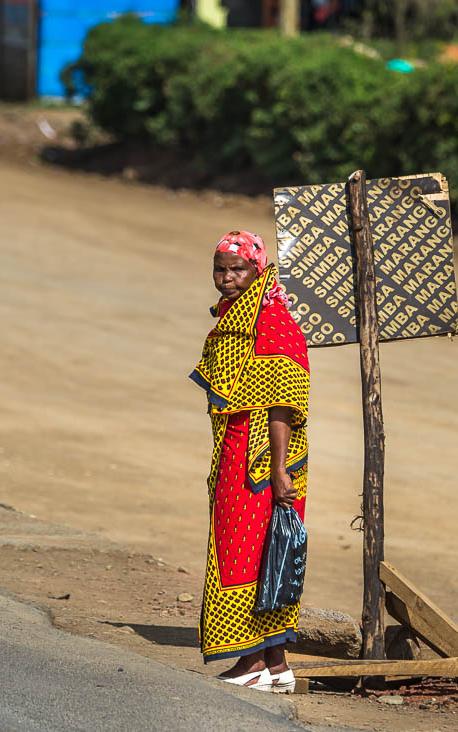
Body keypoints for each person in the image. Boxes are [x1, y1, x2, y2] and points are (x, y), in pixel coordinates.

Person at [189, 230, 310, 693]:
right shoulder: (238, 316)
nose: (226, 278)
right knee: (266, 554)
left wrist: (279, 470)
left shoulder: (271, 318)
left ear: (258, 269)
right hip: (237, 452)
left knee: (244, 555)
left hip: (263, 460)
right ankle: (276, 666)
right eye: (219, 269)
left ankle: (251, 661)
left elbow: (282, 404)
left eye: (236, 269)